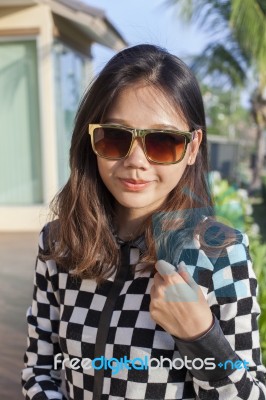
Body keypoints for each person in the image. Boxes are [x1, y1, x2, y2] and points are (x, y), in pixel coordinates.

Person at [22, 44, 266, 400]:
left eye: (163, 142)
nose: (136, 161)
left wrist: (202, 337)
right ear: (92, 139)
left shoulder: (220, 254)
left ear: (192, 148)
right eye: (116, 136)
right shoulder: (60, 243)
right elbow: (39, 371)